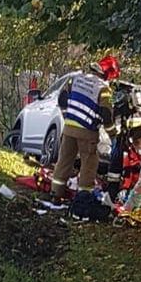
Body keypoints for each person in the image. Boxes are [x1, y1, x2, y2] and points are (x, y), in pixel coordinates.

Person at [50, 56, 120, 201]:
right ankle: (82, 199)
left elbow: (62, 97)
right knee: (89, 165)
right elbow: (106, 114)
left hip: (69, 128)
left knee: (64, 161)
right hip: (87, 132)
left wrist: (66, 116)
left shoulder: (76, 79)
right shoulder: (104, 88)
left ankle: (55, 194)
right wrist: (112, 134)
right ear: (108, 74)